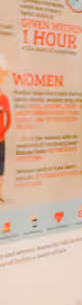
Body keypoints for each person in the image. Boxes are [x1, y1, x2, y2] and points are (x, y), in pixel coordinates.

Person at [0, 52, 10, 204]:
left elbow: (9, 120)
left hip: (1, 139)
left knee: (0, 168)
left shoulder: (3, 98)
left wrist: (2, 133)